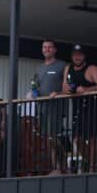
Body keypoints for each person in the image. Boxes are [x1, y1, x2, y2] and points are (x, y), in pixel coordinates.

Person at [62, 44, 97, 173]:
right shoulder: (67, 68)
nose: (77, 57)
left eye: (80, 54)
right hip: (77, 109)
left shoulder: (92, 68)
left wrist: (87, 89)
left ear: (84, 56)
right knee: (77, 139)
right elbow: (65, 88)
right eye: (75, 55)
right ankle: (92, 163)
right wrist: (61, 92)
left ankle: (93, 167)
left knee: (92, 138)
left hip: (93, 107)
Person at [32, 39, 67, 174]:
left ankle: (64, 163)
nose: (46, 49)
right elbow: (34, 85)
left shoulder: (62, 65)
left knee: (54, 137)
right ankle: (56, 167)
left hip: (56, 107)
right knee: (47, 139)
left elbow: (67, 87)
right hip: (42, 108)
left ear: (54, 50)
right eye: (44, 47)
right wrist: (32, 93)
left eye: (49, 47)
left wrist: (57, 93)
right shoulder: (39, 68)